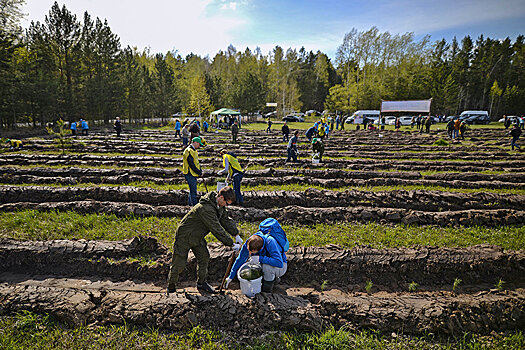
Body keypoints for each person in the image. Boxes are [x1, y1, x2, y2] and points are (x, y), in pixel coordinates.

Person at [167, 186, 243, 294]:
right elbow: (215, 228)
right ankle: (171, 287)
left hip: (197, 236)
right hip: (185, 235)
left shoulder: (218, 206)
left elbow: (225, 219)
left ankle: (201, 283)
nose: (226, 206)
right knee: (179, 263)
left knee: (204, 257)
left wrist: (236, 234)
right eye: (227, 203)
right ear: (221, 197)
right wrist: (230, 243)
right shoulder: (206, 209)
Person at [224, 218, 289, 293]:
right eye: (249, 251)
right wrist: (230, 277)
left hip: (281, 266)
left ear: (261, 248)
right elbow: (240, 259)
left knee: (266, 267)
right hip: (267, 262)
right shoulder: (250, 242)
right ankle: (271, 279)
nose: (250, 253)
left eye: (252, 252)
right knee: (253, 266)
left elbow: (279, 263)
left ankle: (267, 290)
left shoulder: (270, 242)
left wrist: (260, 259)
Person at [182, 136, 206, 206]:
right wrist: (198, 172)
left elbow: (196, 162)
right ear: (195, 142)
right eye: (199, 144)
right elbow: (191, 164)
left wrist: (200, 170)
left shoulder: (194, 151)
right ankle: (194, 206)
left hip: (193, 173)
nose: (199, 146)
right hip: (189, 173)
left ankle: (190, 204)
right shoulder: (188, 151)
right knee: (193, 191)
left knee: (192, 190)